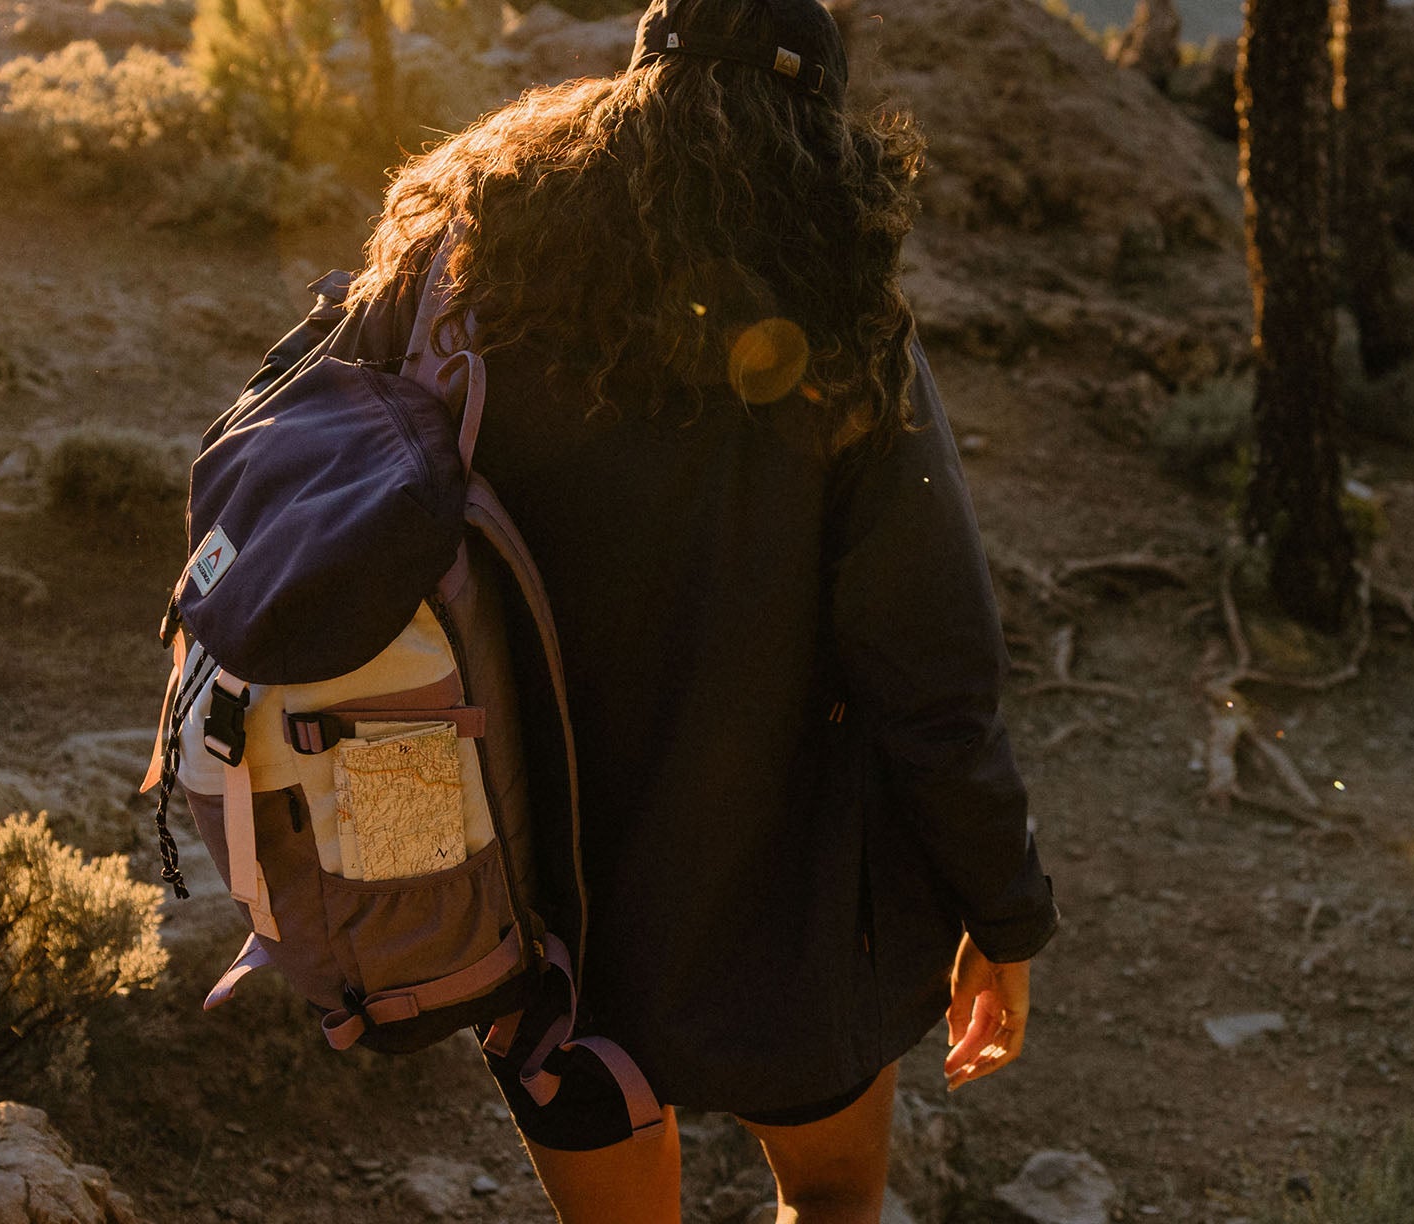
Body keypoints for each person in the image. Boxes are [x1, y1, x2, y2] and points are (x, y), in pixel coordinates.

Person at [341, 1, 1059, 1219]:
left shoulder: (463, 273)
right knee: (831, 1199)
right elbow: (933, 668)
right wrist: (1004, 910)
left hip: (539, 917)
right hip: (792, 922)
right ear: (821, 133)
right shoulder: (844, 330)